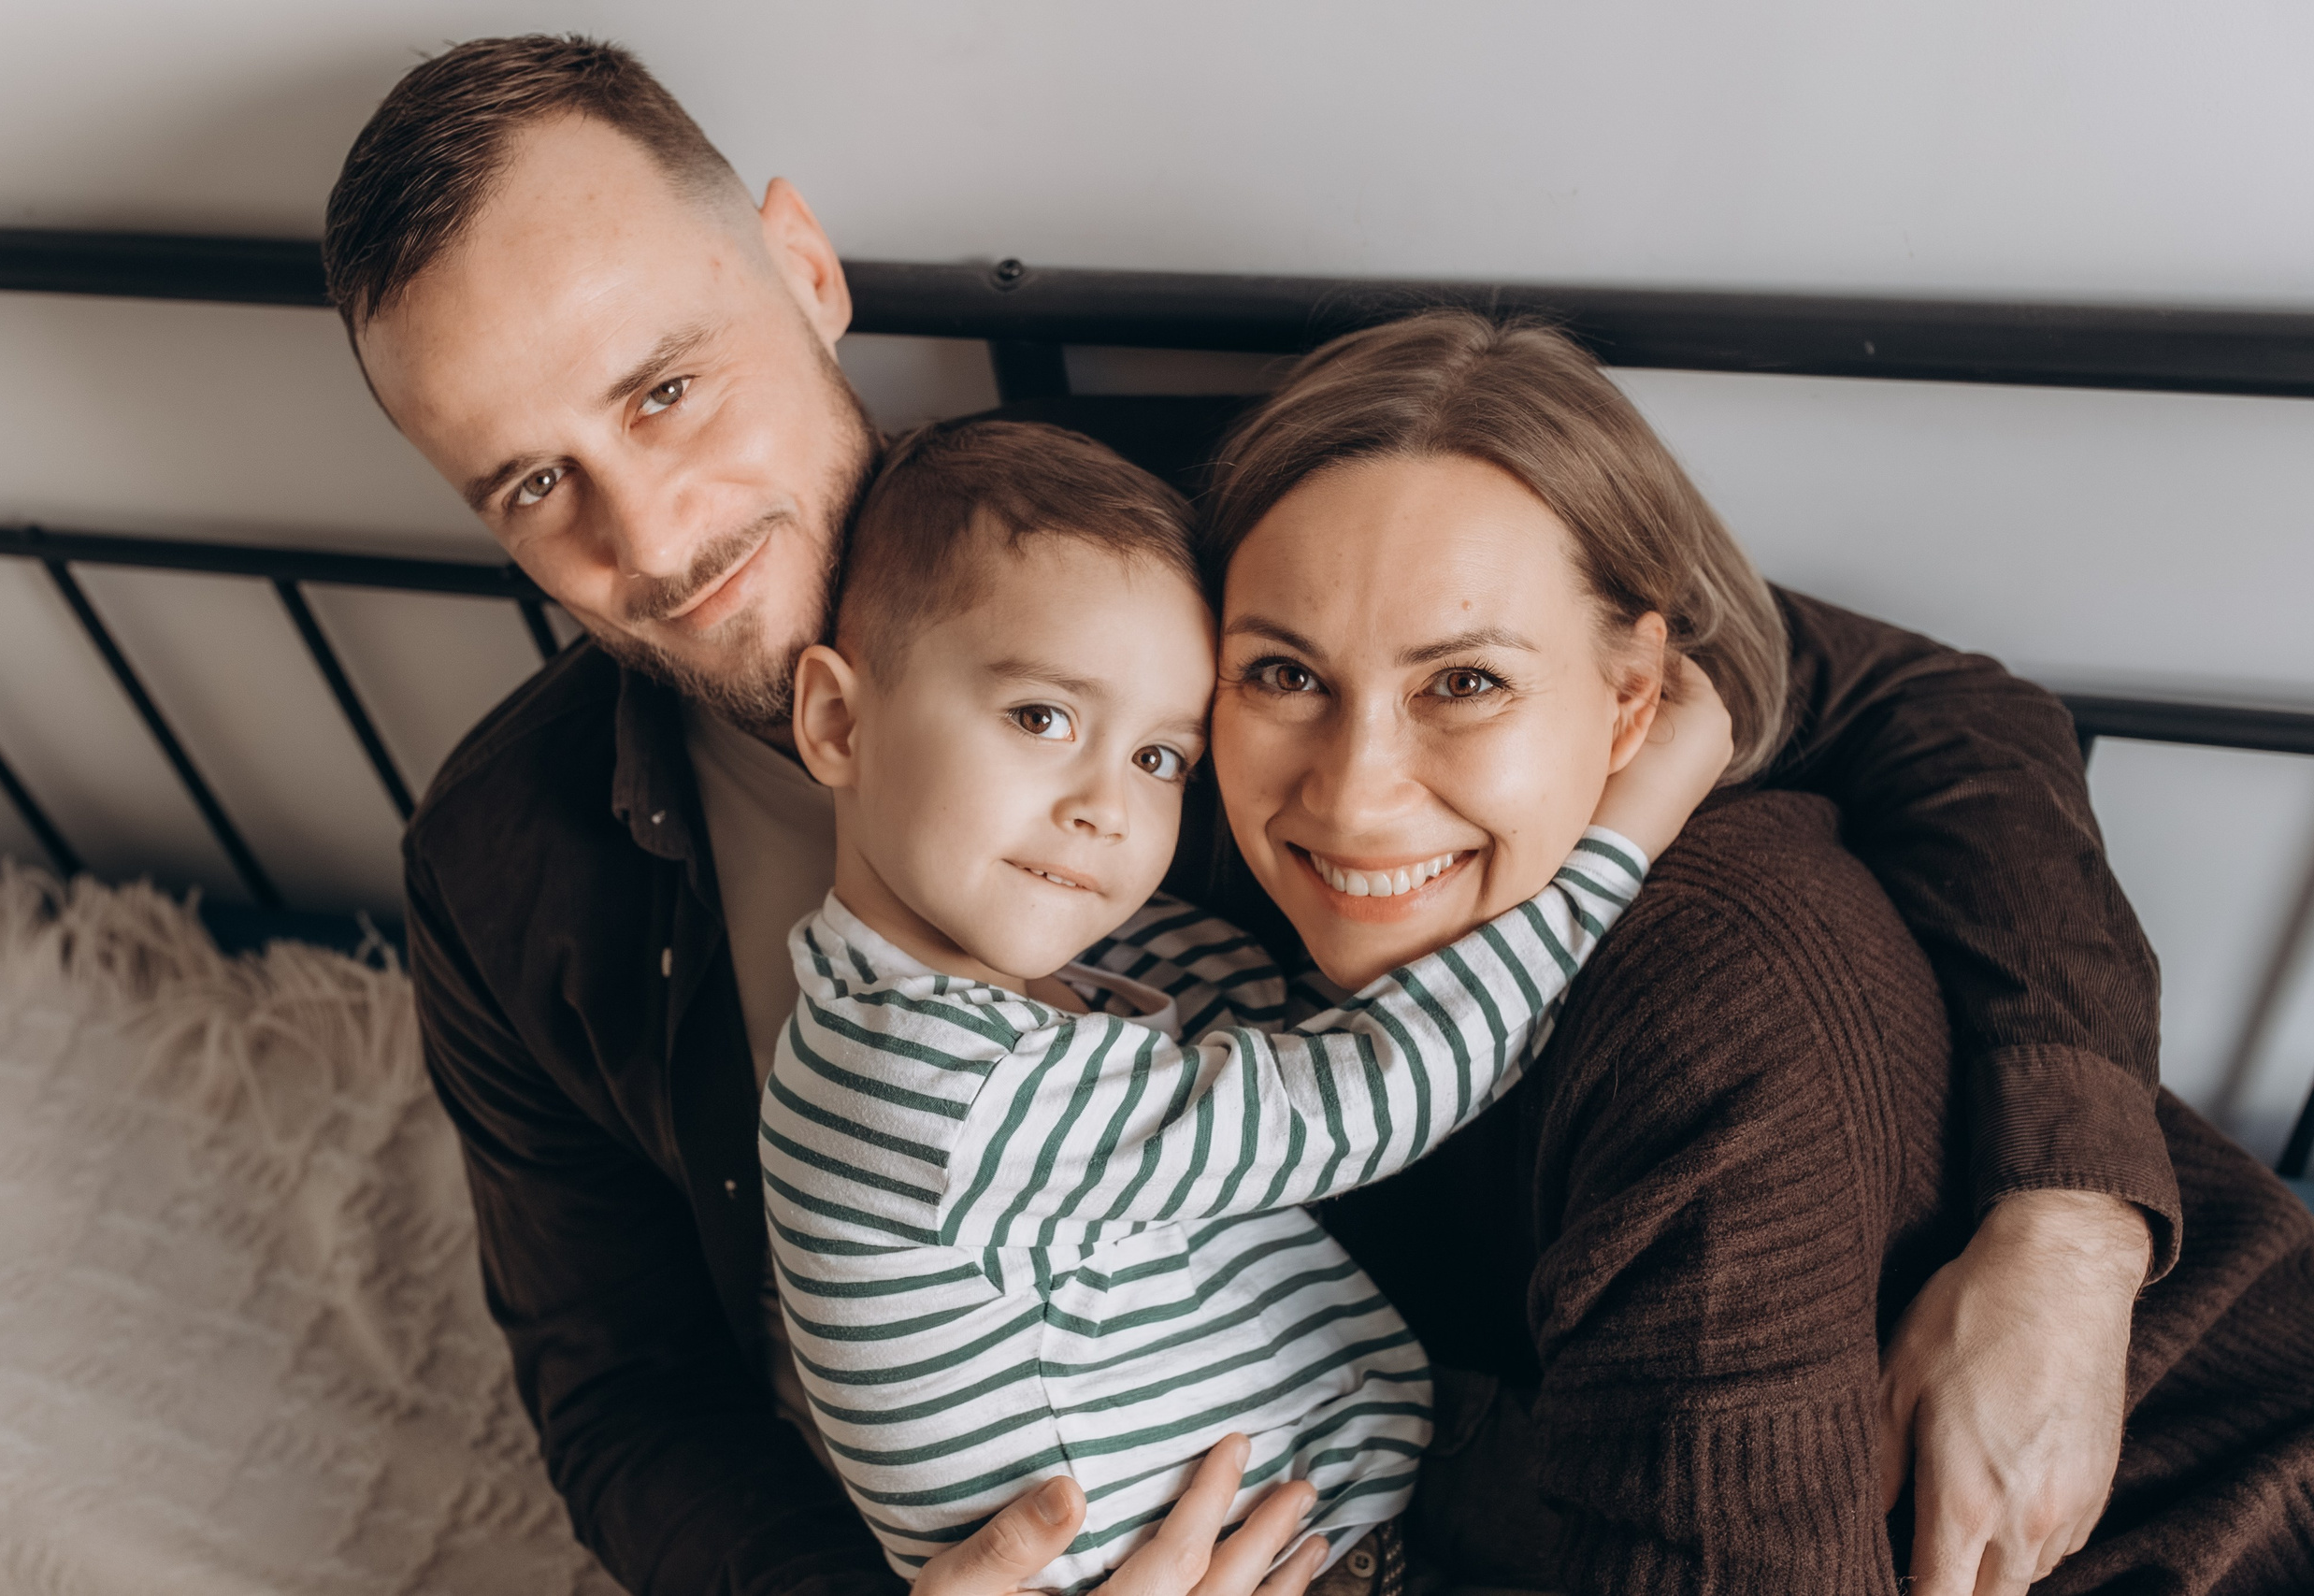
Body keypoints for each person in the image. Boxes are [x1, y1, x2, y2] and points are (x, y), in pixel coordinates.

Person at [325, 33, 2174, 1596]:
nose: (649, 535)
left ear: (803, 269)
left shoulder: (1218, 542)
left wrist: (2067, 1228)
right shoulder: (502, 862)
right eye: (533, 485)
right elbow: (625, 1393)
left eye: (666, 389)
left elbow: (1922, 713)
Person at [1200, 309, 2314, 1593]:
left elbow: (1943, 710)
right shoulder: (1120, 790)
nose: (1353, 796)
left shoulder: (1705, 989)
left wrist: (2070, 1230)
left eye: (1465, 683)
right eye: (1282, 675)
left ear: (1637, 698)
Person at [760, 417, 1726, 1589]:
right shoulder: (929, 1084)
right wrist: (1623, 834)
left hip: (1385, 1478)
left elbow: (1291, 1015)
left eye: (1160, 759)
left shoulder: (1064, 969)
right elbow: (1364, 1093)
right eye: (1041, 718)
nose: (1106, 810)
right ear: (838, 721)